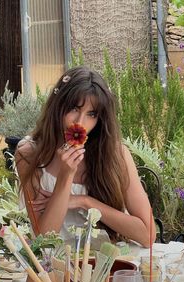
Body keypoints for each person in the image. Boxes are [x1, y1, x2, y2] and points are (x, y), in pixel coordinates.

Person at [15, 66, 156, 248]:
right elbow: (43, 239)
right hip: (56, 268)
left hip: (106, 263)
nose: (80, 122)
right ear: (57, 106)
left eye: (91, 114)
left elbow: (148, 235)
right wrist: (65, 177)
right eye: (74, 108)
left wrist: (84, 202)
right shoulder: (30, 153)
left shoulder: (115, 154)